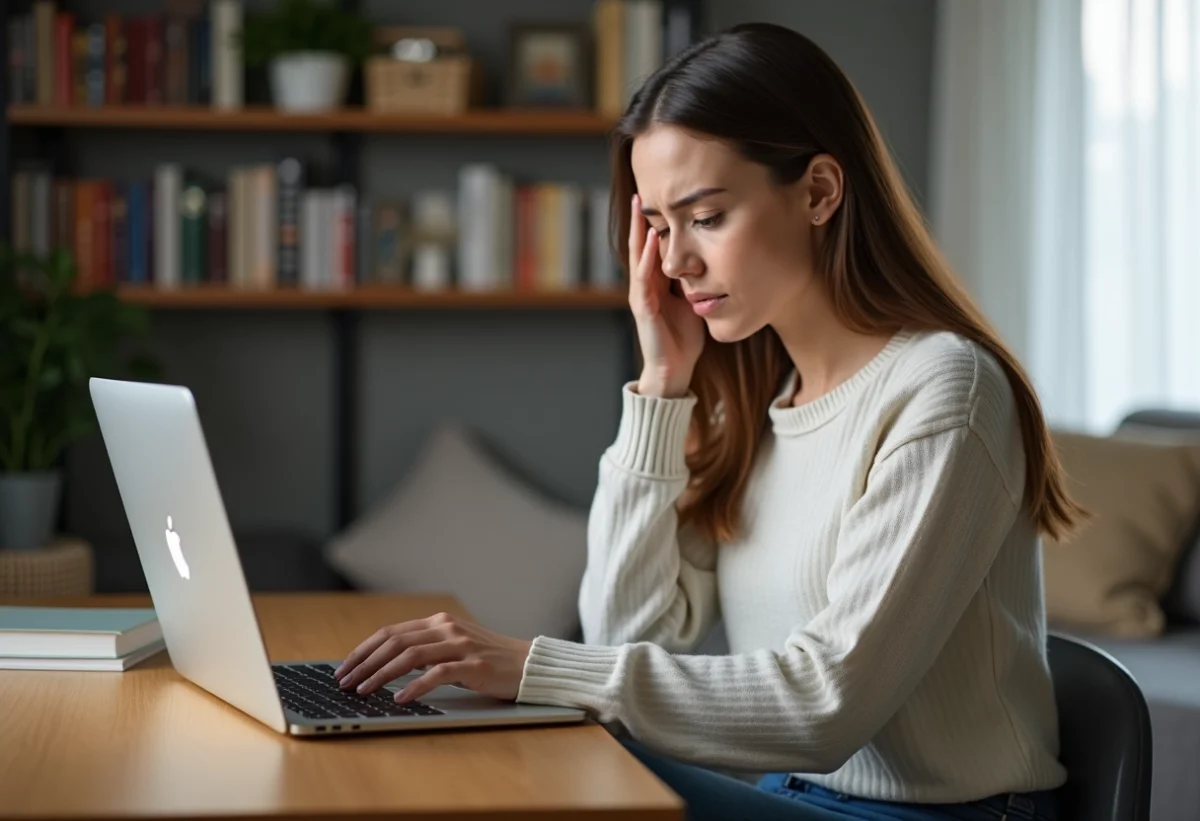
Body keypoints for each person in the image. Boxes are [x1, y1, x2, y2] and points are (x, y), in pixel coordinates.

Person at [332, 21, 1084, 821]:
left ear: (821, 192)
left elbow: (828, 705)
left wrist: (530, 666)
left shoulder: (945, 389)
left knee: (539, 783)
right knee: (518, 763)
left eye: (706, 216)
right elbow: (627, 629)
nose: (676, 261)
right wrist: (660, 385)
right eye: (657, 225)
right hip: (790, 795)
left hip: (930, 815)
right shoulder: (749, 398)